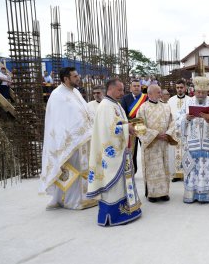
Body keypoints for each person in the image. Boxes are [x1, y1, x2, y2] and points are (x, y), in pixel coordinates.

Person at [39, 67, 97, 210]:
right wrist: (66, 139)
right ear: (66, 78)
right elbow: (57, 122)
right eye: (75, 76)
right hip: (70, 141)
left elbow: (85, 112)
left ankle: (87, 197)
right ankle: (72, 201)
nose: (78, 78)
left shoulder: (75, 92)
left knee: (84, 168)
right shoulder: (57, 95)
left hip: (84, 139)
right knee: (74, 170)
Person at [87, 79, 142, 226]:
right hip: (111, 153)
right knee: (114, 184)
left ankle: (126, 210)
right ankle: (113, 215)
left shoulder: (115, 104)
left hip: (121, 150)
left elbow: (117, 123)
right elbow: (109, 130)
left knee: (122, 184)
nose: (122, 93)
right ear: (111, 89)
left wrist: (127, 125)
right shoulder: (106, 106)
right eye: (120, 90)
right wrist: (126, 128)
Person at [176, 75, 209, 203]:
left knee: (207, 170)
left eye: (203, 92)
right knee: (192, 170)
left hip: (207, 142)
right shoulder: (188, 102)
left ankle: (207, 195)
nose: (200, 94)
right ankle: (191, 194)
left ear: (207, 92)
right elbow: (178, 120)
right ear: (194, 91)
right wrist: (186, 119)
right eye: (198, 92)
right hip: (192, 143)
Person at [137, 85, 175, 202]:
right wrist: (155, 134)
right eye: (158, 92)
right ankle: (152, 193)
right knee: (152, 169)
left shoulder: (166, 107)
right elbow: (138, 126)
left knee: (163, 167)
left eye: (160, 92)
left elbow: (172, 123)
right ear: (150, 94)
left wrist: (168, 133)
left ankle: (164, 192)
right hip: (151, 144)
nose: (161, 94)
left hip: (163, 143)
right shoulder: (142, 108)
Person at [120, 79, 148, 174]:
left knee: (145, 148)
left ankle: (147, 170)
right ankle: (132, 170)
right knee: (132, 150)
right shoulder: (125, 98)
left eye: (138, 86)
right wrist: (131, 122)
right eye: (134, 86)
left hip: (142, 126)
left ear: (141, 87)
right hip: (131, 127)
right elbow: (123, 113)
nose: (136, 87)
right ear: (131, 88)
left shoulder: (146, 98)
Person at [167, 79, 190, 182]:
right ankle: (176, 174)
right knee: (174, 152)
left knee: (186, 151)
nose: (179, 89)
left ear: (185, 88)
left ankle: (186, 172)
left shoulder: (190, 100)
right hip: (174, 130)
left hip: (186, 130)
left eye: (181, 87)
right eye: (177, 88)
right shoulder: (170, 100)